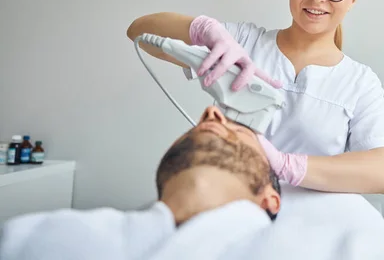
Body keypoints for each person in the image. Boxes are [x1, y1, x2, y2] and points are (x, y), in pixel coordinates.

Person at [127, 0, 384, 195]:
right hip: (231, 201)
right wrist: (202, 28)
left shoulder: (360, 82)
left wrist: (287, 166)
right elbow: (138, 31)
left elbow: (383, 173)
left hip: (311, 219)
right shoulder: (243, 42)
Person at [0, 106, 282, 260]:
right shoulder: (27, 238)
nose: (210, 113)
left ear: (270, 200)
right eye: (189, 131)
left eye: (241, 132)